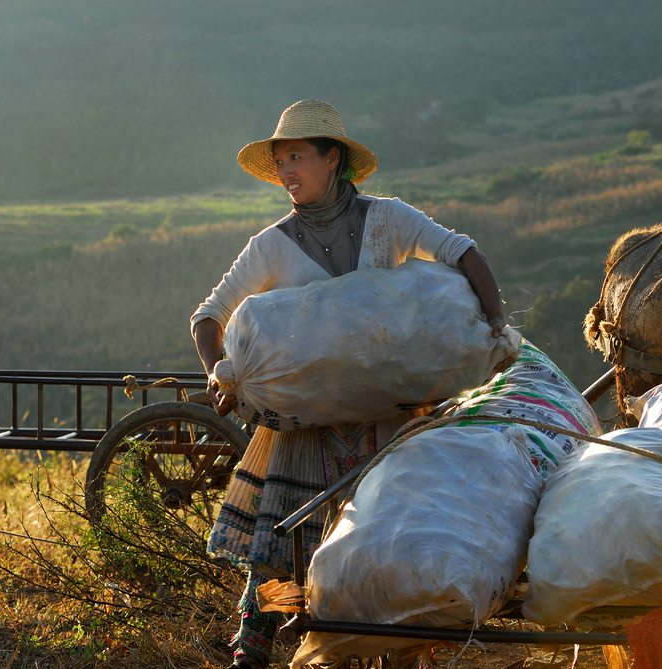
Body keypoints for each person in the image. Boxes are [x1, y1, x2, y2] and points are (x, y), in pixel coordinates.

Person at [190, 99, 505, 669]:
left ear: (332, 159)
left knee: (389, 543)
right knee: (286, 549)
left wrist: (497, 324)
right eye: (280, 161)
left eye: (297, 158)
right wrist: (220, 371)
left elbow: (462, 252)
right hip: (305, 429)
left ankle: (393, 653)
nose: (286, 172)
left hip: (390, 422)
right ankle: (254, 649)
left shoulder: (388, 220)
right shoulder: (272, 244)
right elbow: (208, 316)